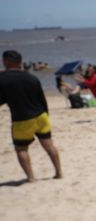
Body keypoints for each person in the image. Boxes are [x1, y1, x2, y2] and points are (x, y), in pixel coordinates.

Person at [0, 50, 63, 182]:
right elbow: (41, 97)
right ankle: (59, 173)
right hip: (41, 116)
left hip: (22, 119)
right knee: (49, 146)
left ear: (5, 61)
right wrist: (46, 114)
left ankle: (31, 178)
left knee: (21, 149)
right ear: (20, 62)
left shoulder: (2, 78)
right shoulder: (31, 77)